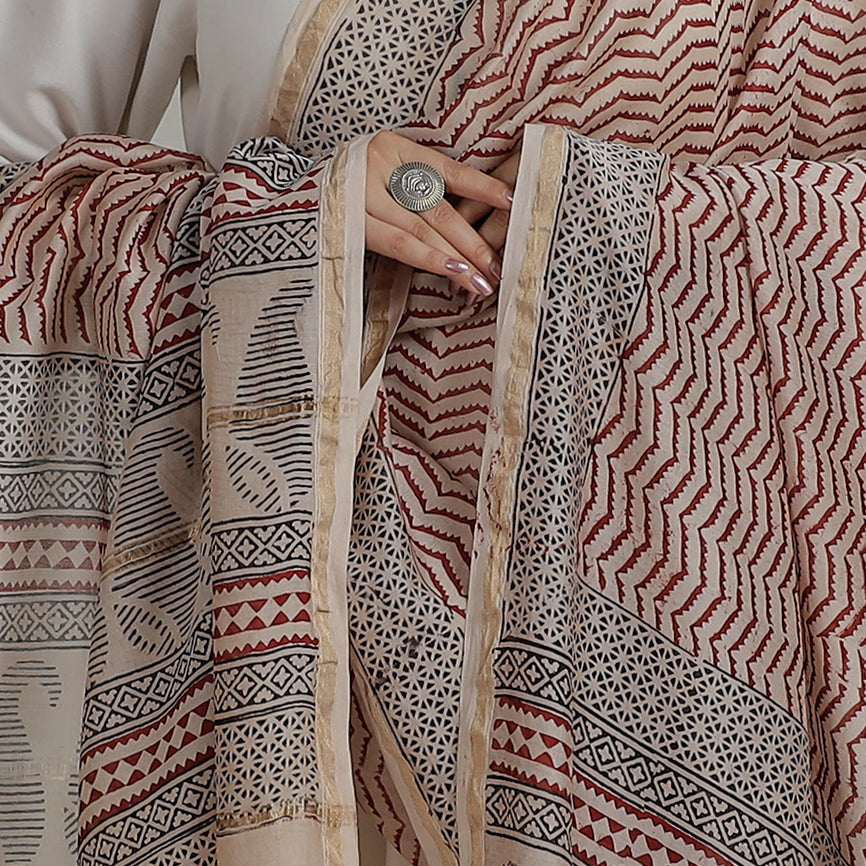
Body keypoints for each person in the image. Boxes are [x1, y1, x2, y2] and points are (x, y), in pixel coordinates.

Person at [1, 1, 865, 865]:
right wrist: (293, 220)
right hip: (294, 661)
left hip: (691, 596)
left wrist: (608, 212)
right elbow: (21, 207)